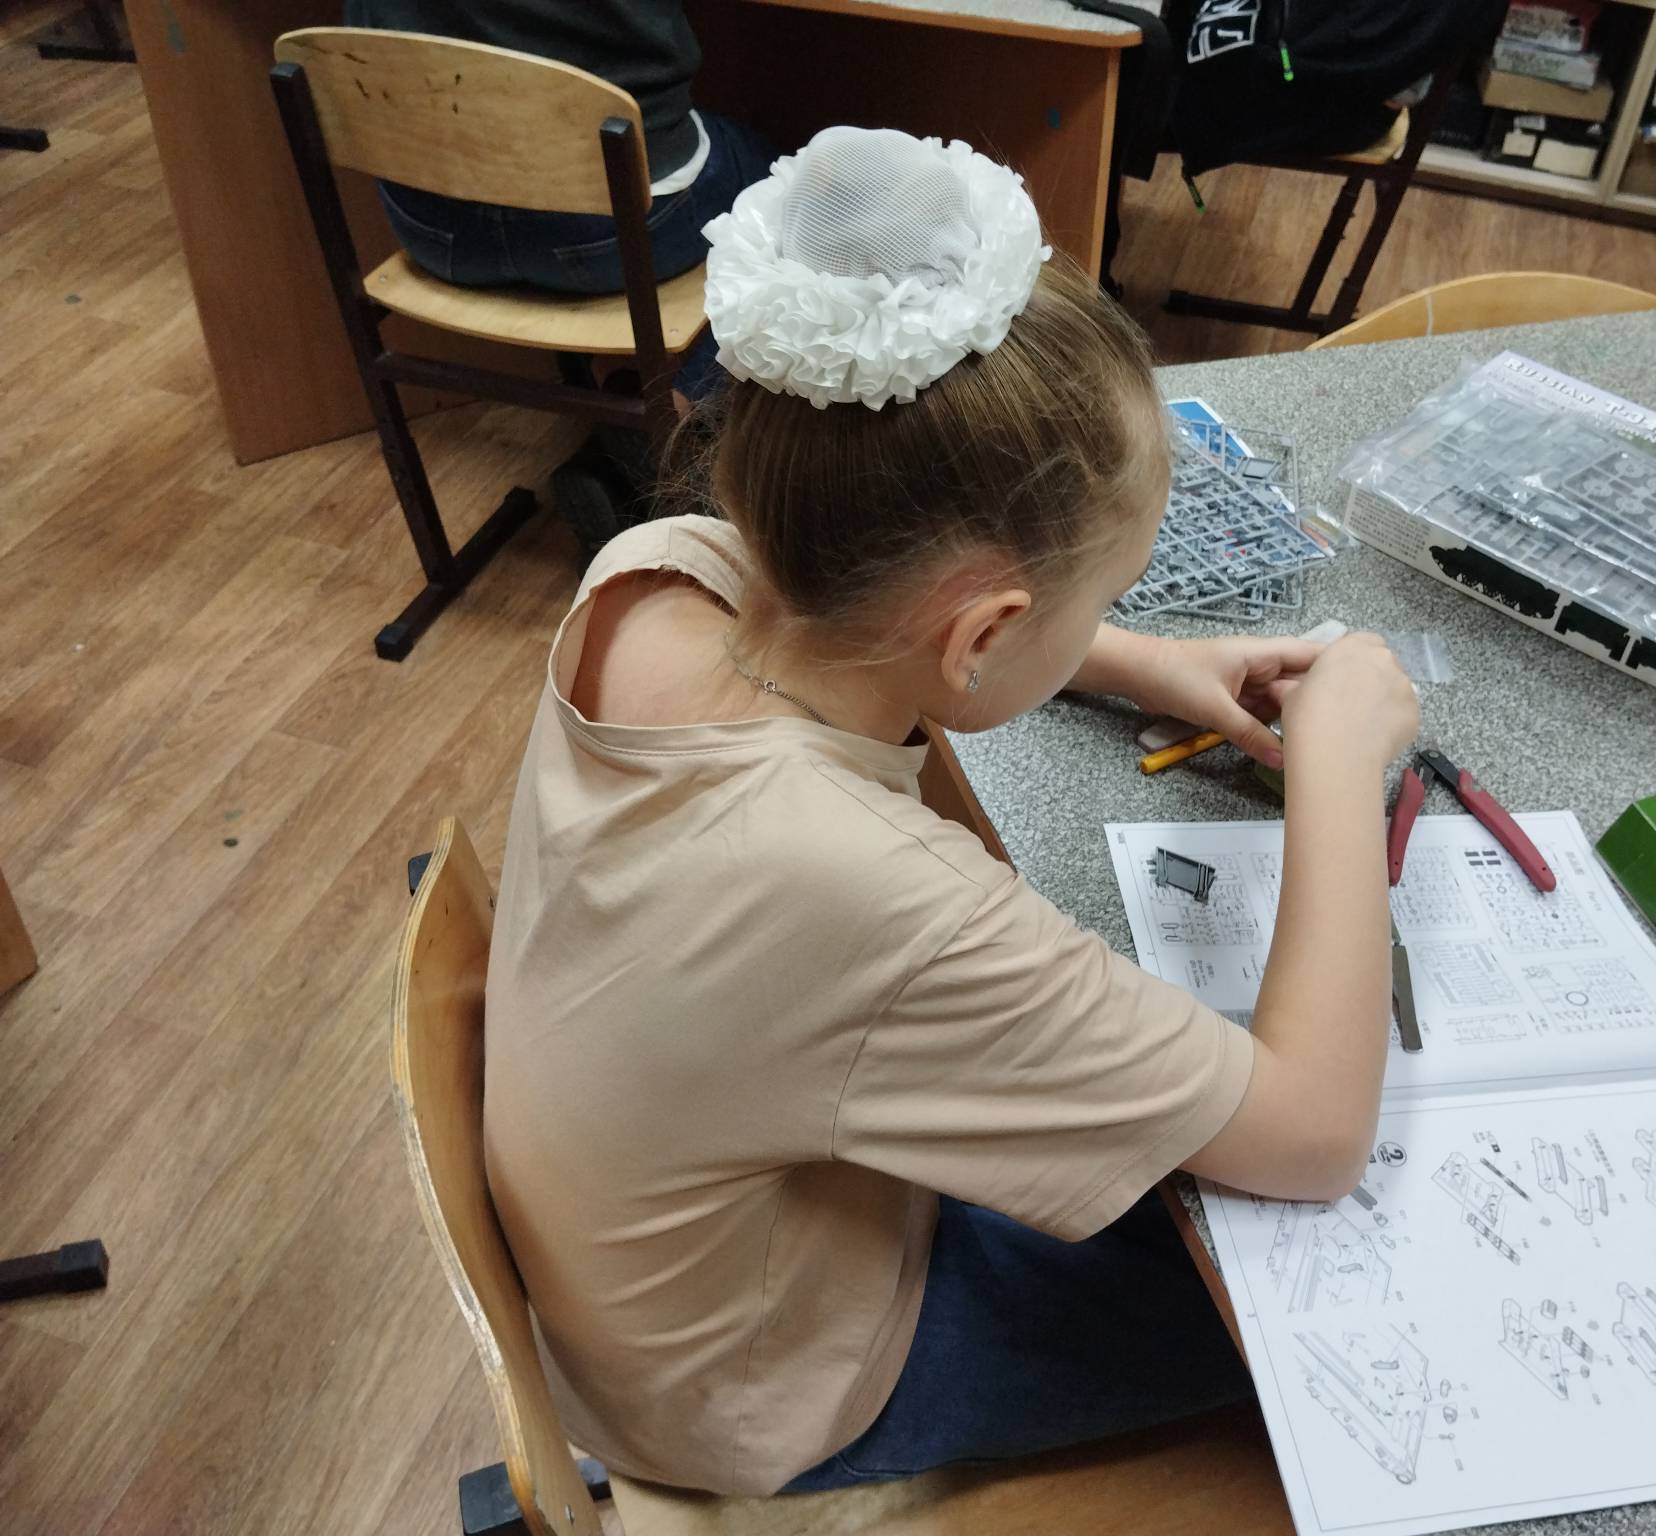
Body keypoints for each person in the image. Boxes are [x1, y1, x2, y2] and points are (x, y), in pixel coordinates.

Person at [483, 126, 1420, 1498]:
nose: (1104, 626)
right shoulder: (876, 892)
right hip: (765, 1383)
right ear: (982, 634)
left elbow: (880, 607)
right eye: (1102, 602)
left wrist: (1141, 658)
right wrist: (1336, 768)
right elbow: (1316, 1133)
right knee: (1296, 1300)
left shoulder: (656, 571)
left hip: (654, 1280)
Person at [341, 0, 775, 404]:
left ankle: (616, 382)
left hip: (434, 228)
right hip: (620, 237)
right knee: (785, 183)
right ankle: (677, 408)